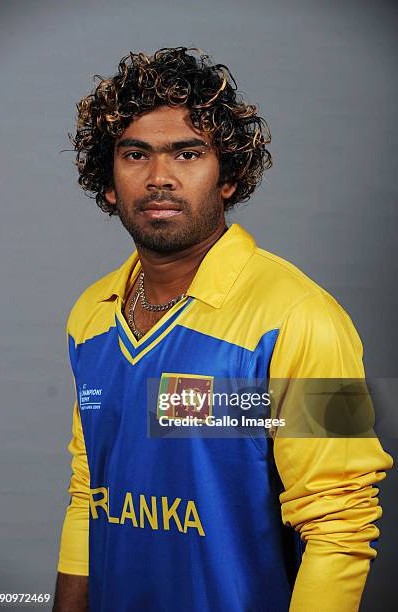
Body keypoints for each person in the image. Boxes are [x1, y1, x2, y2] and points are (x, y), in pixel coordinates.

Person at [53, 47, 393, 612]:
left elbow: (341, 524)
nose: (159, 177)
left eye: (187, 154)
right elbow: (89, 492)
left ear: (229, 176)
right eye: (135, 154)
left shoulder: (302, 316)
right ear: (108, 182)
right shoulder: (91, 313)